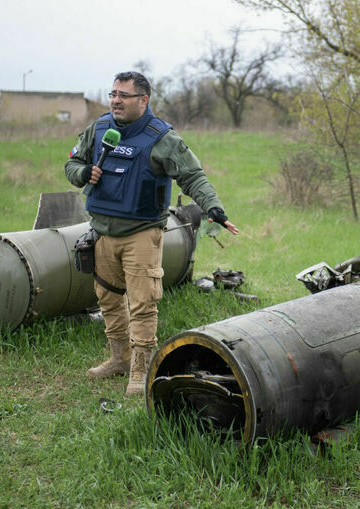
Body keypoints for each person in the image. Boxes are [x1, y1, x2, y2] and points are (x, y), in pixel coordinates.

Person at [64, 71, 239, 396]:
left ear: (143, 100)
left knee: (143, 304)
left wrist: (214, 208)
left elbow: (193, 176)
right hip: (101, 231)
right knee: (108, 299)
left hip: (142, 234)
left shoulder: (162, 138)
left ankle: (142, 371)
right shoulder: (99, 129)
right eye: (112, 93)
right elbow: (71, 165)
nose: (115, 100)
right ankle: (120, 359)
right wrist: (84, 172)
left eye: (123, 95)